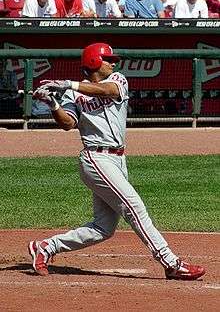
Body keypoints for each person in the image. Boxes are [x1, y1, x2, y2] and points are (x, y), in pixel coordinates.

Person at [28, 42, 205, 281]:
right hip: (95, 158)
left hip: (119, 160)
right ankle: (171, 263)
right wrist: (53, 103)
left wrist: (68, 84)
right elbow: (68, 123)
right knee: (135, 208)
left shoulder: (118, 80)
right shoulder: (72, 94)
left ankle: (46, 247)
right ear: (93, 62)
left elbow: (107, 91)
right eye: (108, 59)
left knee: (103, 228)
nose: (113, 62)